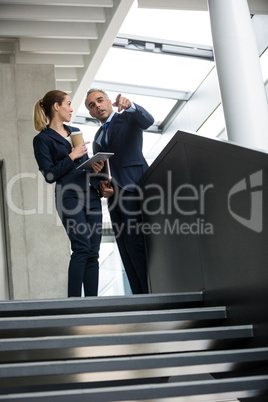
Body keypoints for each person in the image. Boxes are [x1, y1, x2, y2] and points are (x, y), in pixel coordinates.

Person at [33, 90, 105, 297]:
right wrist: (72, 155)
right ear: (56, 106)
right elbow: (49, 175)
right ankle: (73, 303)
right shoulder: (42, 140)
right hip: (69, 197)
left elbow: (84, 165)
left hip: (90, 195)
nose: (72, 109)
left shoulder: (75, 131)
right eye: (68, 104)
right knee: (82, 247)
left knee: (93, 252)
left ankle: (93, 304)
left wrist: (96, 169)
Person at [85, 89, 154, 294]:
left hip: (133, 187)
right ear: (91, 113)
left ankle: (150, 294)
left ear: (109, 102)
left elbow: (148, 121)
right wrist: (100, 183)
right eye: (91, 105)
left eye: (99, 100)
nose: (97, 106)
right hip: (114, 198)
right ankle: (140, 296)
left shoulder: (128, 118)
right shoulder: (98, 136)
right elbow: (106, 170)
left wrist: (131, 105)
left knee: (136, 243)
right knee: (124, 248)